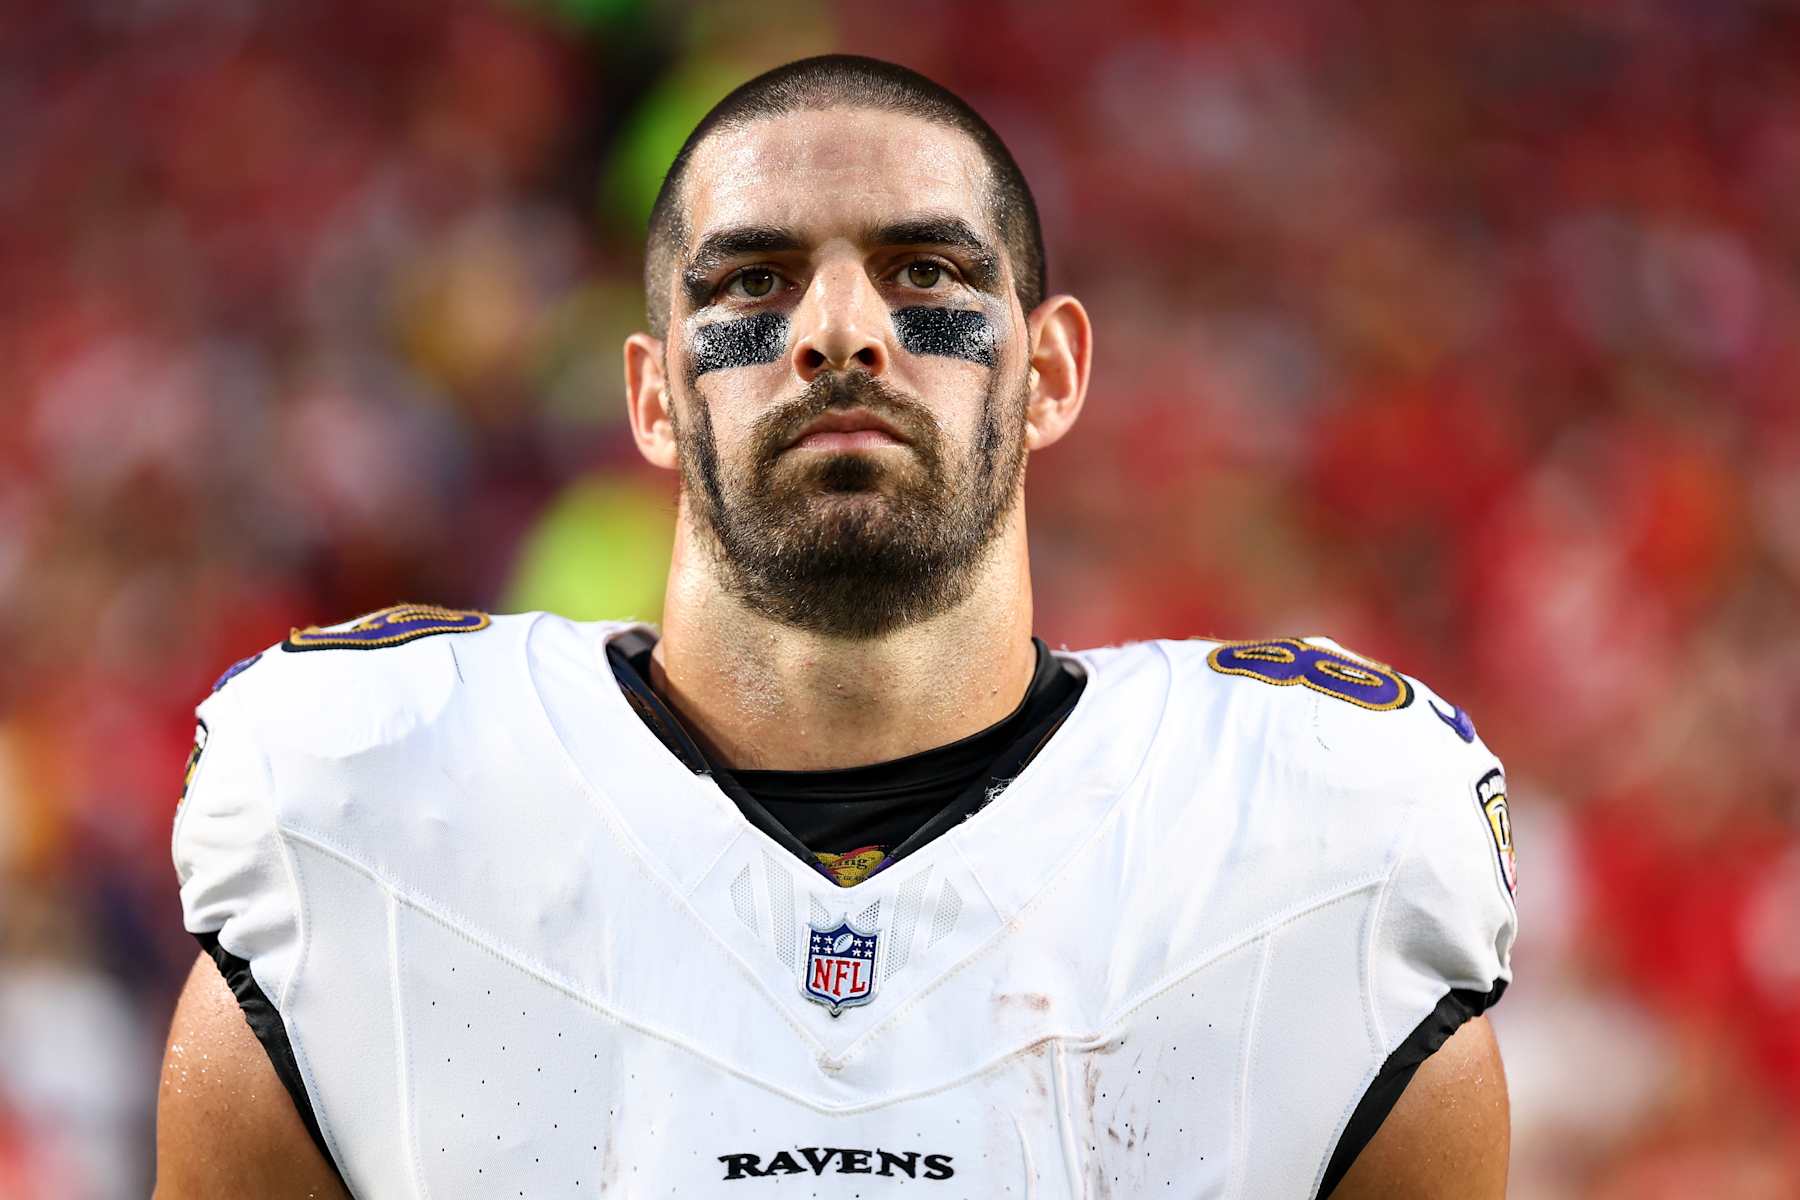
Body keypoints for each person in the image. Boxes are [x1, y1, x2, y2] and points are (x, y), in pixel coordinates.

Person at [155, 55, 1516, 1198]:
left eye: (926, 272)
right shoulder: (371, 817)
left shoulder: (1310, 850)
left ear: (1048, 373)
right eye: (752, 284)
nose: (843, 332)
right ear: (650, 396)